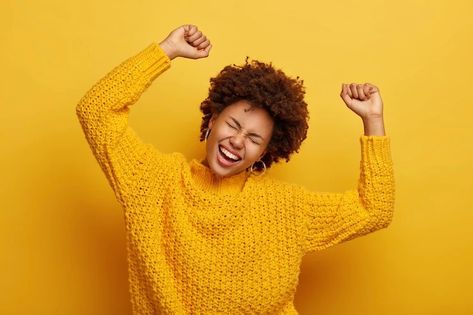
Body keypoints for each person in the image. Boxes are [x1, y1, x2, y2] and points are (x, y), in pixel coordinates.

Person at [76, 24, 395, 315]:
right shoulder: (152, 180)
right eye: (232, 125)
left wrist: (373, 119)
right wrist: (166, 50)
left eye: (254, 138)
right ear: (212, 122)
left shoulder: (286, 208)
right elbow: (95, 111)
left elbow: (375, 209)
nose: (238, 141)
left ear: (264, 153)